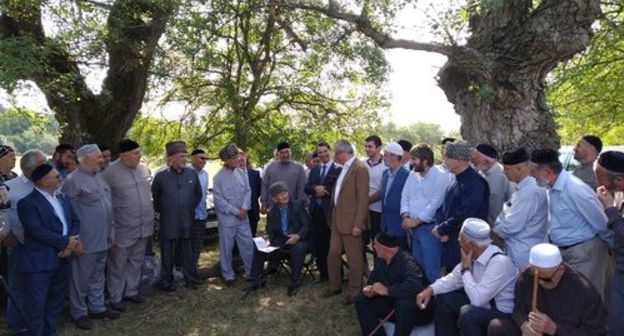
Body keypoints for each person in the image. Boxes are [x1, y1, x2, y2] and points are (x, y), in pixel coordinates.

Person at [530, 148, 609, 299]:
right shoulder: (550, 186)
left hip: (585, 253)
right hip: (564, 253)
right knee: (569, 300)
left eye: (534, 171)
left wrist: (615, 251)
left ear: (547, 172)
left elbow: (601, 223)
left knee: (588, 299)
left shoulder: (576, 189)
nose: (531, 175)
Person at [417, 218, 518, 336]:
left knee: (468, 313)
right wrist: (430, 290)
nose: (459, 245)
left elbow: (477, 300)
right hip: (483, 306)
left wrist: (466, 270)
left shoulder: (500, 262)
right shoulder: (473, 256)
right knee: (445, 299)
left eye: (460, 242)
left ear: (470, 245)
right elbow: (452, 279)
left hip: (500, 313)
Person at [18, 164, 83, 336]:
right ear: (44, 181)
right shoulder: (27, 203)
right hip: (40, 263)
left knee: (55, 302)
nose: (60, 179)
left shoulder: (62, 198)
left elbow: (75, 221)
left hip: (62, 259)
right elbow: (37, 231)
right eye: (56, 177)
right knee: (36, 304)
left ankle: (50, 331)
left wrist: (72, 242)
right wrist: (65, 243)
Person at [488, 243, 607, 336]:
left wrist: (554, 328)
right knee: (497, 327)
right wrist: (524, 325)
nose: (539, 282)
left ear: (560, 270)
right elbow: (518, 310)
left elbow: (595, 333)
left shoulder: (584, 291)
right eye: (534, 276)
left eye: (546, 279)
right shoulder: (526, 276)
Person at [62, 145, 119, 329]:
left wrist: (111, 232)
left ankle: (97, 307)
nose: (102, 160)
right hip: (85, 240)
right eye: (98, 157)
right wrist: (75, 240)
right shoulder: (73, 181)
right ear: (86, 159)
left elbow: (107, 207)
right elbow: (67, 213)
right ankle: (78, 312)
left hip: (103, 237)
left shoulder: (100, 177)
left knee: (97, 274)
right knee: (81, 278)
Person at [102, 139, 154, 312]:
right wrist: (111, 228)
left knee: (136, 260)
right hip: (123, 227)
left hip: (143, 225)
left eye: (139, 152)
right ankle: (115, 297)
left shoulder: (143, 169)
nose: (140, 156)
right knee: (117, 263)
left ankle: (131, 291)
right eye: (136, 153)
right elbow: (105, 202)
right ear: (124, 156)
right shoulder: (109, 173)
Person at [2, 150, 47, 334]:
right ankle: (15, 325)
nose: (48, 167)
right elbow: (4, 213)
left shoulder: (48, 183)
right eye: (42, 164)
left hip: (45, 245)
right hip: (19, 245)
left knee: (39, 288)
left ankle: (36, 323)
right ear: (29, 168)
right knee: (18, 286)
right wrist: (8, 234)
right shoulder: (9, 187)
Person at [355, 232, 432, 336]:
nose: (373, 247)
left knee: (404, 304)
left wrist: (388, 290)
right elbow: (372, 282)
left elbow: (415, 286)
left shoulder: (408, 262)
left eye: (375, 244)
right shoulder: (380, 261)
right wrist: (369, 290)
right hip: (392, 306)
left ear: (384, 248)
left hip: (415, 311)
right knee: (362, 300)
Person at [322, 139, 369, 305]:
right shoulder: (344, 168)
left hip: (351, 224)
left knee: (354, 258)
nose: (335, 156)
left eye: (337, 153)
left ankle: (356, 291)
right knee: (333, 254)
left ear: (344, 152)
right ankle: (334, 286)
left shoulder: (360, 168)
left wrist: (358, 224)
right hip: (337, 221)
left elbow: (363, 200)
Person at [152, 141, 203, 291]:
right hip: (169, 222)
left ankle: (190, 279)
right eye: (181, 156)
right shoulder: (161, 177)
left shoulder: (191, 174)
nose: (184, 159)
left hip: (187, 220)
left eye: (185, 156)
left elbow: (198, 194)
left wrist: (188, 208)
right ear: (171, 158)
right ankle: (166, 281)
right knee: (167, 253)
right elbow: (156, 197)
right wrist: (168, 210)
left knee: (188, 252)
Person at [432, 141, 489, 272]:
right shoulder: (455, 179)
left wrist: (443, 229)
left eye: (447, 157)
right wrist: (441, 228)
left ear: (459, 161)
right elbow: (444, 206)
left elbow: (466, 213)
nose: (444, 160)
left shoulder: (475, 183)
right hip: (450, 240)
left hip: (466, 244)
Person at [249, 182, 310, 296]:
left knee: (299, 248)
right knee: (258, 245)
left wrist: (297, 236)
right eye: (280, 195)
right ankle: (257, 280)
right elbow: (271, 232)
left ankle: (294, 283)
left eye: (285, 193)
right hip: (281, 241)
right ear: (274, 199)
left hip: (299, 240)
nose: (284, 196)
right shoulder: (272, 212)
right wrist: (267, 237)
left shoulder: (298, 205)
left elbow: (306, 225)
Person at [401, 143, 450, 283]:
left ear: (425, 160)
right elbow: (405, 195)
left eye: (414, 160)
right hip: (412, 228)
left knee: (431, 270)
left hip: (430, 229)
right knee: (417, 268)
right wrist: (405, 216)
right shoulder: (413, 174)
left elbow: (435, 204)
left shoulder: (440, 176)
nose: (411, 163)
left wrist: (415, 221)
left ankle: (435, 301)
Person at [492, 148, 547, 270]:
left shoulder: (529, 191)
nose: (504, 173)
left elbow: (510, 226)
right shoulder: (522, 188)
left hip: (523, 252)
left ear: (519, 168)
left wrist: (495, 230)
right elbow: (505, 213)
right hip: (520, 248)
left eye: (507, 169)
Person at [213, 143, 254, 287]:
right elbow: (218, 200)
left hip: (243, 218)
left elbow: (248, 191)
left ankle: (251, 273)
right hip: (228, 220)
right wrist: (235, 211)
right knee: (226, 248)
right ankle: (228, 275)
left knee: (247, 246)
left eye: (238, 156)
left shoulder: (242, 172)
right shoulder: (218, 178)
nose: (238, 159)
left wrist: (243, 208)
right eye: (235, 157)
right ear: (226, 160)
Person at [594, 150, 624, 335]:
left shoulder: (612, 201)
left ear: (619, 180)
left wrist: (610, 209)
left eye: (599, 177)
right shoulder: (619, 193)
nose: (597, 183)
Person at [304, 141, 341, 282]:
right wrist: (315, 189)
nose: (323, 154)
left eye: (325, 151)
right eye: (320, 152)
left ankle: (336, 275)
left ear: (330, 151)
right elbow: (306, 188)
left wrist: (324, 191)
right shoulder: (314, 169)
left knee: (332, 246)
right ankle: (323, 274)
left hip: (330, 212)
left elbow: (339, 190)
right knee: (319, 245)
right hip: (316, 213)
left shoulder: (338, 169)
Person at [260, 142, 307, 212]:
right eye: (282, 153)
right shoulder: (271, 167)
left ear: (291, 152)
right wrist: (264, 202)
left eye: (287, 152)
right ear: (278, 154)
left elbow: (302, 188)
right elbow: (264, 185)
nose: (285, 155)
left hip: (293, 209)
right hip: (273, 208)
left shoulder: (299, 168)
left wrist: (300, 205)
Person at [472, 143, 512, 224]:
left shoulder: (505, 176)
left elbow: (512, 206)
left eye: (476, 158)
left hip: (499, 229)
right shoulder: (479, 174)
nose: (472, 160)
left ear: (487, 161)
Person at [380, 143, 410, 249]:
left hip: (399, 227)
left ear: (395, 157)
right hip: (385, 226)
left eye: (386, 155)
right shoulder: (385, 174)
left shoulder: (407, 175)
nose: (383, 158)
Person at [364, 135, 385, 258]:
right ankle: (365, 273)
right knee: (361, 243)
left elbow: (383, 190)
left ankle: (379, 272)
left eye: (370, 146)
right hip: (363, 211)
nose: (367, 149)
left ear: (378, 148)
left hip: (378, 210)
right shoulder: (361, 164)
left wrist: (367, 200)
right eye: (366, 146)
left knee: (378, 244)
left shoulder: (386, 165)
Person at [190, 149, 210, 276]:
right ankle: (186, 269)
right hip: (189, 216)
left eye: (205, 159)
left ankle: (193, 269)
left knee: (198, 244)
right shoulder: (186, 172)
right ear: (193, 159)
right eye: (201, 158)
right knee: (187, 245)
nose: (204, 161)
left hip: (202, 214)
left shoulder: (205, 174)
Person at [239, 150, 262, 237]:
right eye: (239, 160)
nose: (241, 162)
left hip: (252, 211)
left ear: (246, 158)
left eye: (242, 160)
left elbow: (259, 191)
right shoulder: (231, 175)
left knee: (251, 236)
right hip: (238, 212)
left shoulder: (255, 174)